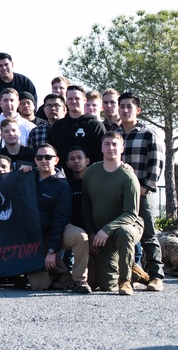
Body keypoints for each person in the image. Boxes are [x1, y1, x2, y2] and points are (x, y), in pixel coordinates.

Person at [82, 132, 142, 295]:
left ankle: (126, 281)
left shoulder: (128, 177)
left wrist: (106, 229)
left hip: (127, 228)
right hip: (100, 235)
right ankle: (131, 268)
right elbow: (85, 205)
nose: (111, 148)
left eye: (115, 144)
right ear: (101, 147)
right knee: (106, 284)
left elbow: (131, 214)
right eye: (107, 144)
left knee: (125, 231)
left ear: (122, 148)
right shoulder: (91, 172)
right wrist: (92, 233)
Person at [28, 145, 91, 293]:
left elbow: (60, 219)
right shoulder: (27, 178)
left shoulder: (63, 185)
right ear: (35, 161)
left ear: (56, 160)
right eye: (39, 157)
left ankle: (79, 280)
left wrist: (52, 250)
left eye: (48, 157)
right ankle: (63, 277)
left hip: (57, 231)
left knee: (80, 236)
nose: (44, 160)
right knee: (38, 285)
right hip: (34, 236)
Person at [118, 92, 165, 291]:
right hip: (117, 193)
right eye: (122, 106)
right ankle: (125, 276)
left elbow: (157, 162)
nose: (125, 110)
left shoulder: (148, 133)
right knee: (123, 234)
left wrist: (146, 187)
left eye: (129, 106)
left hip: (141, 194)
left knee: (149, 235)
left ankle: (156, 276)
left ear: (137, 110)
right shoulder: (113, 132)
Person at [49, 85, 107, 163]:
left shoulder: (95, 126)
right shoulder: (57, 126)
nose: (73, 101)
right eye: (70, 99)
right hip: (63, 174)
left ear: (84, 100)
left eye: (77, 98)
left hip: (90, 173)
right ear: (66, 101)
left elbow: (102, 155)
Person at [0, 53, 38, 122]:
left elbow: (34, 103)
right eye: (0, 66)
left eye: (6, 64)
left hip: (23, 121)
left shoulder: (25, 82)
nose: (4, 68)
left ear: (12, 64)